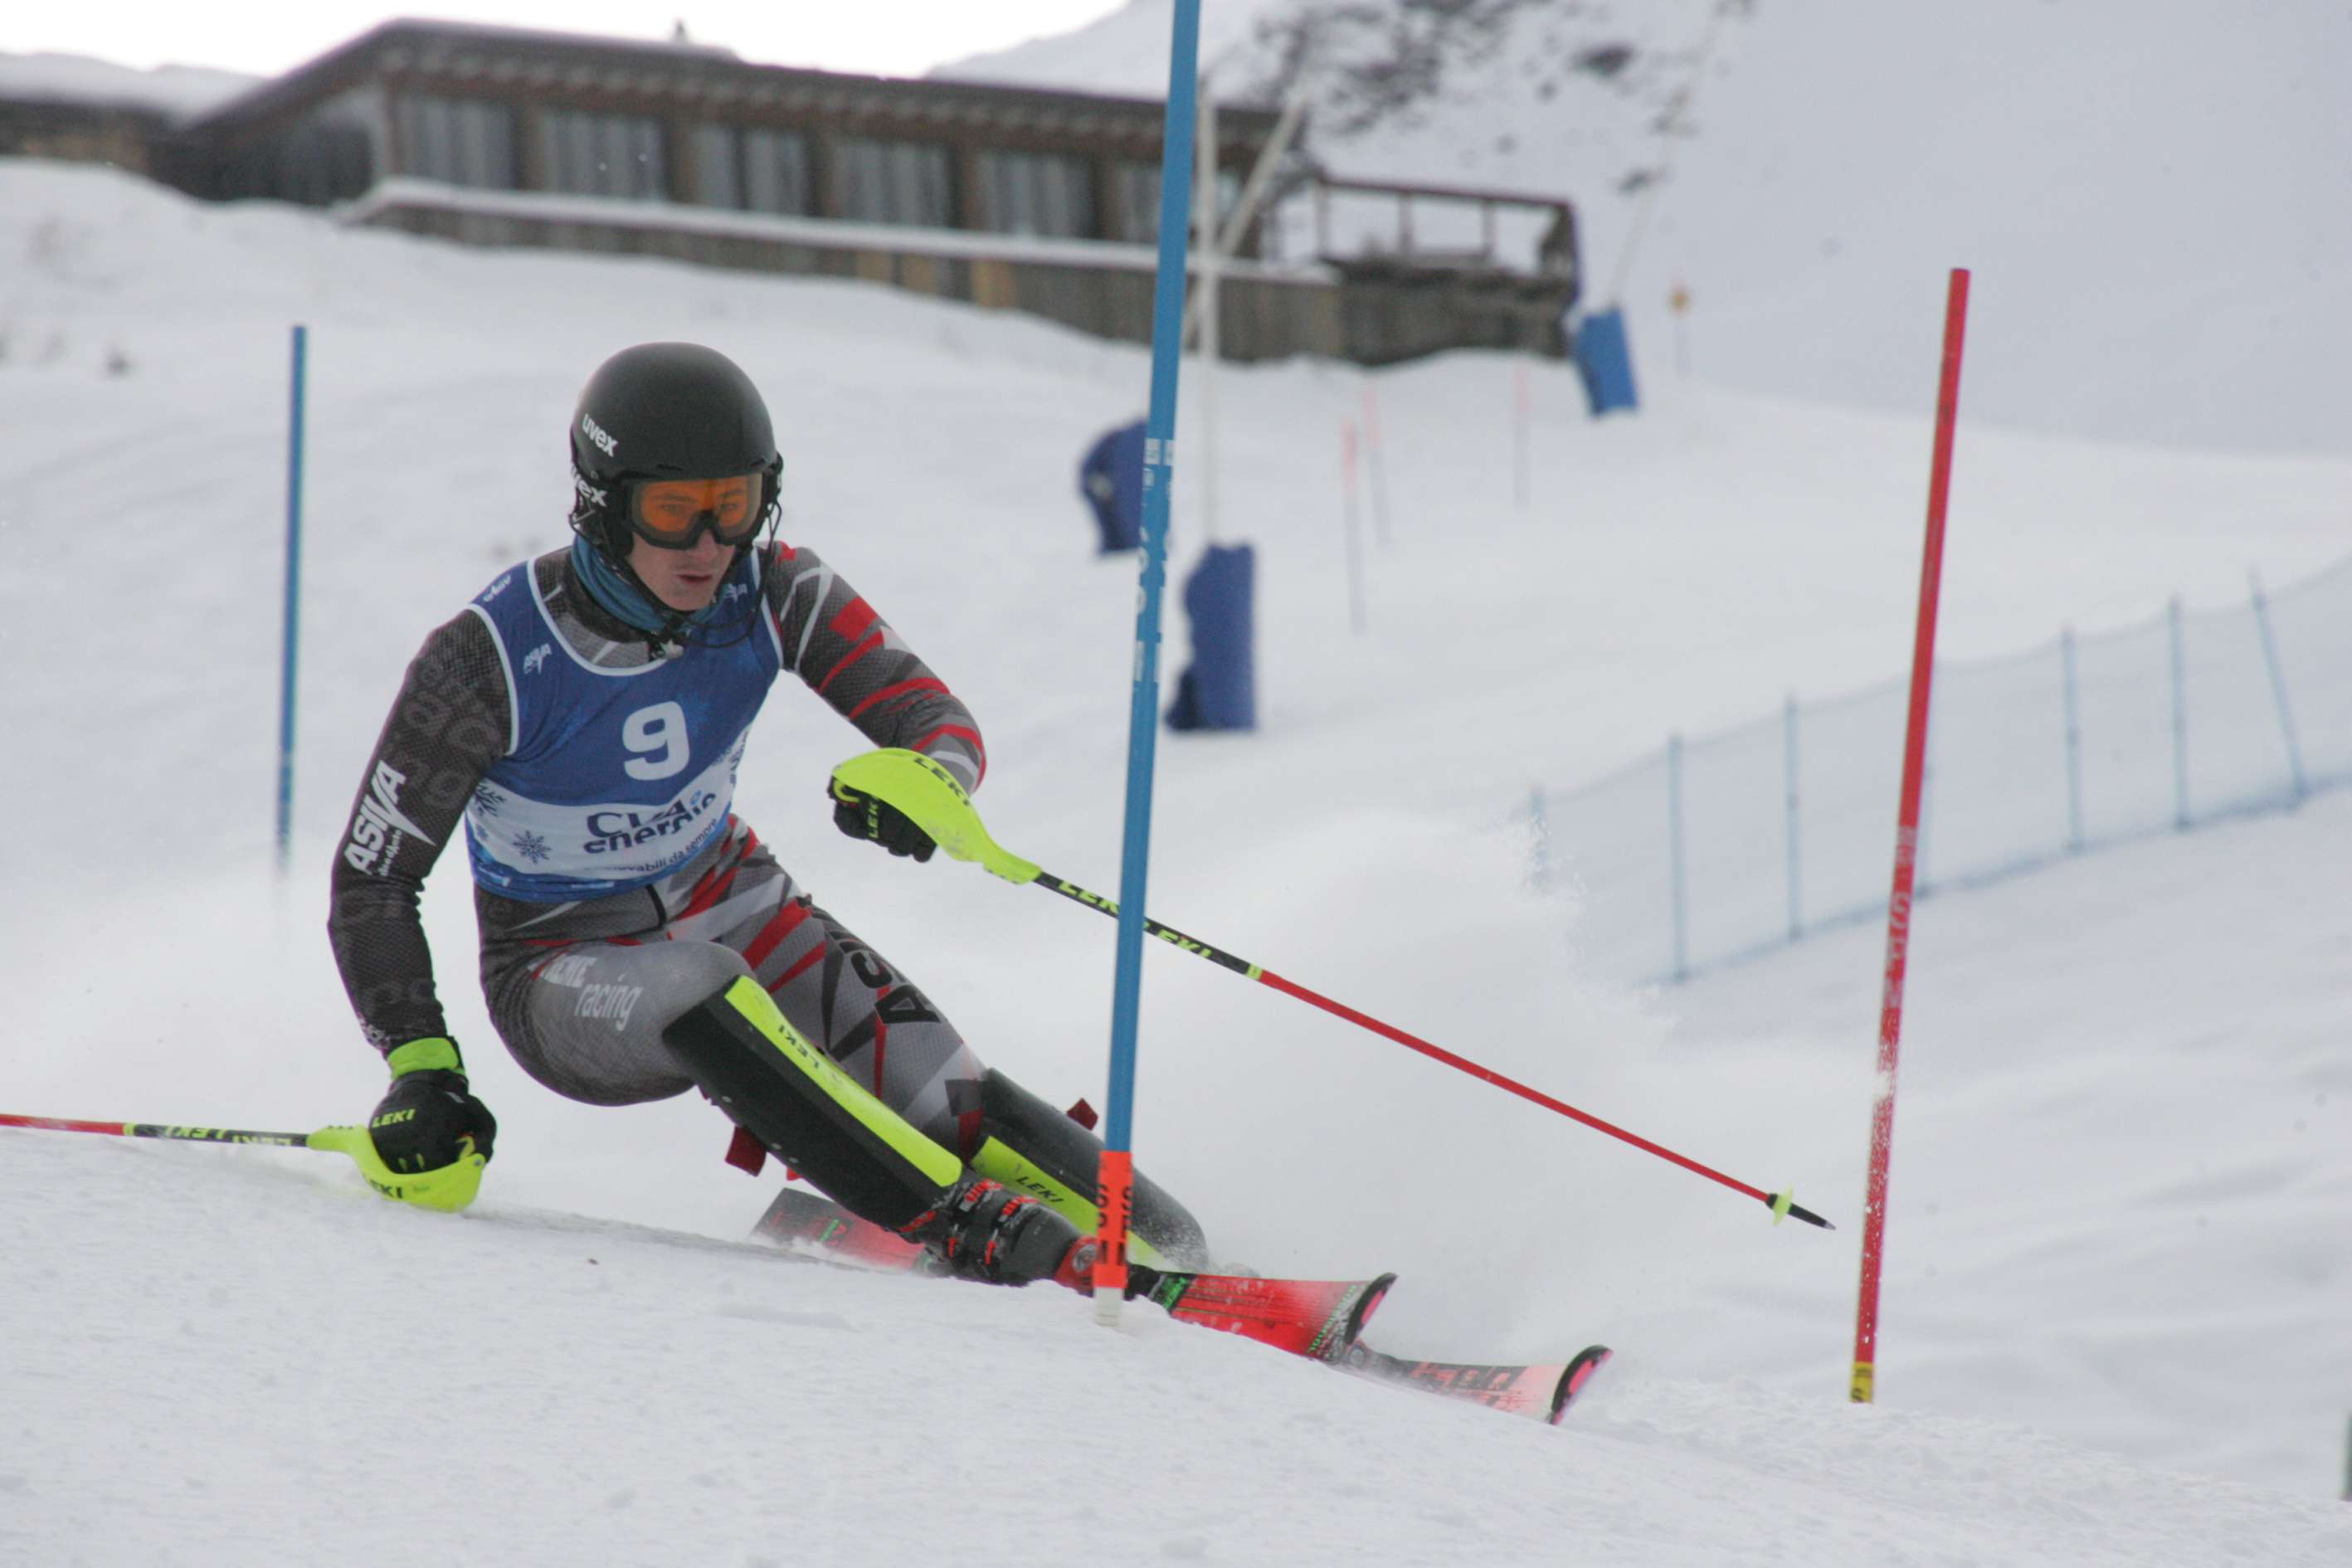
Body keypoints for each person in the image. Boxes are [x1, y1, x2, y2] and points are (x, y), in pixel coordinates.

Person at [329, 342, 1205, 1288]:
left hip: (731, 898)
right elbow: (372, 879)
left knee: (947, 1099)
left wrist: (927, 781)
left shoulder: (774, 589)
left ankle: (1181, 1254)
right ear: (602, 503)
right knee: (704, 987)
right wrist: (422, 1067)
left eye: (735, 504)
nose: (709, 545)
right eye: (673, 511)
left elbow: (933, 717)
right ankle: (964, 1225)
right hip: (557, 965)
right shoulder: (488, 658)